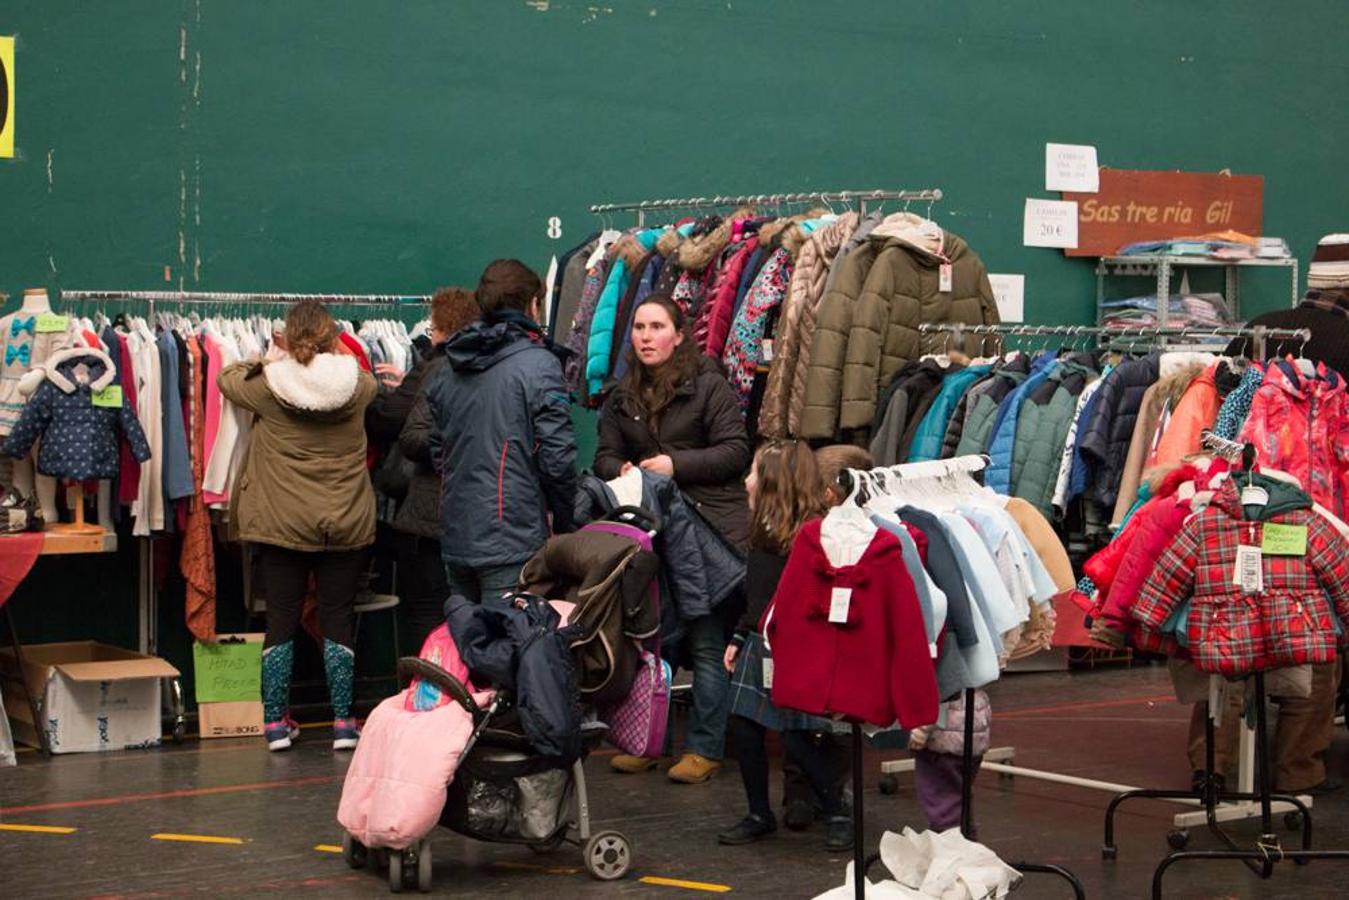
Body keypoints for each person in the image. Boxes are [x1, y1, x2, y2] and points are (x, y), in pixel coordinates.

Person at [594, 293, 752, 784]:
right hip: (654, 536)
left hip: (709, 533)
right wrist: (617, 468)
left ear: (679, 335)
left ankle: (704, 749)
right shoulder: (622, 394)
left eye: (656, 327)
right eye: (639, 327)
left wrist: (675, 465)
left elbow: (736, 452)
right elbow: (602, 454)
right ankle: (650, 739)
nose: (645, 336)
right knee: (654, 643)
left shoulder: (708, 385)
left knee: (706, 643)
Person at [218, 300, 377, 752]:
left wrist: (269, 357)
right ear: (334, 338)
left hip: (281, 521)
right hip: (344, 520)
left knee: (282, 619)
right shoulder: (360, 387)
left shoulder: (267, 386)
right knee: (336, 618)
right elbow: (358, 375)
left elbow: (226, 379)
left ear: (287, 337)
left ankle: (274, 725)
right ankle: (344, 723)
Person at [718, 440, 854, 850]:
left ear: (775, 483)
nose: (746, 482)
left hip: (797, 647)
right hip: (761, 642)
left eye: (754, 473)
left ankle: (836, 810)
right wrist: (740, 636)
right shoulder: (763, 532)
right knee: (744, 727)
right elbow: (756, 597)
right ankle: (759, 813)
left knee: (797, 736)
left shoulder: (818, 536)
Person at [423, 259, 579, 604]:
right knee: (510, 646)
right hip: (511, 537)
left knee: (468, 645)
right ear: (532, 305)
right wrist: (569, 520)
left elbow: (438, 449)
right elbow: (557, 458)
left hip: (458, 532)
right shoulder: (538, 364)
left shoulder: (451, 364)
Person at [364, 287, 480, 651]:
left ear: (439, 325)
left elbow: (391, 421)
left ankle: (430, 698)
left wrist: (364, 394)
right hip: (478, 517)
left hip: (429, 514)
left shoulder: (435, 367)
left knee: (429, 616)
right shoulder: (487, 364)